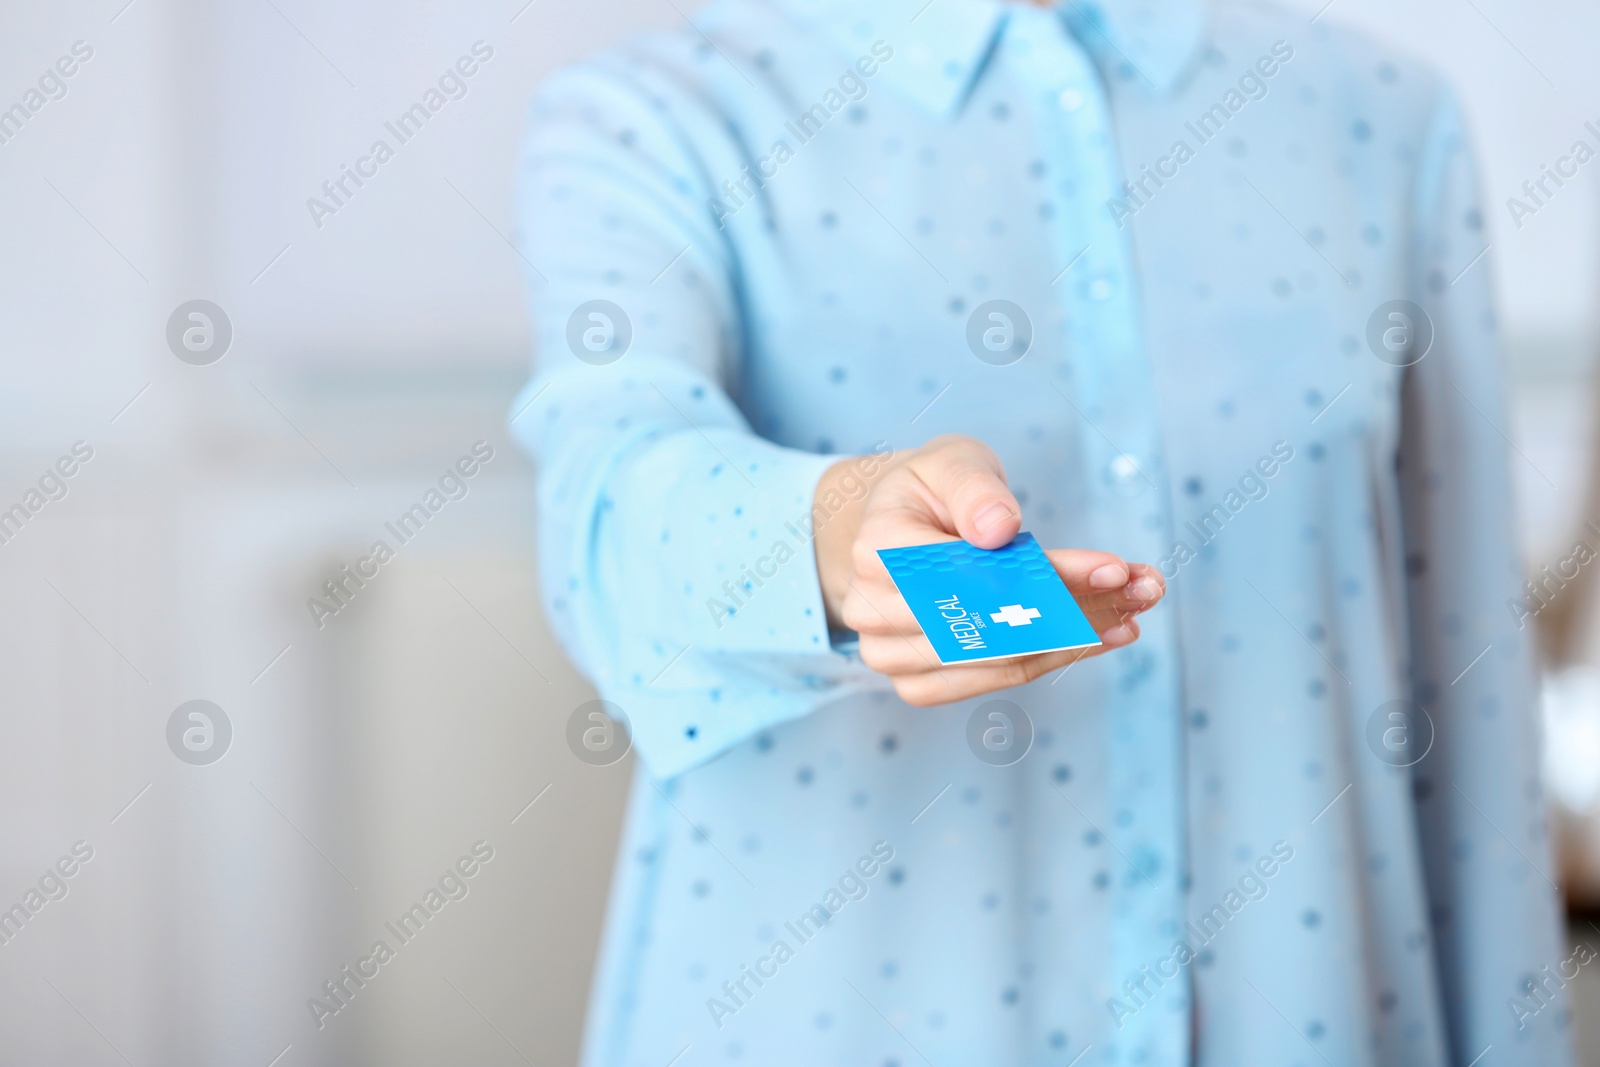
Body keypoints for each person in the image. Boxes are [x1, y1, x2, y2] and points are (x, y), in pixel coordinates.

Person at [508, 0, 1573, 1063]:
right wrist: (832, 538)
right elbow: (609, 501)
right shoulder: (658, 116)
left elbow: (1469, 697)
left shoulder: (1381, 118)